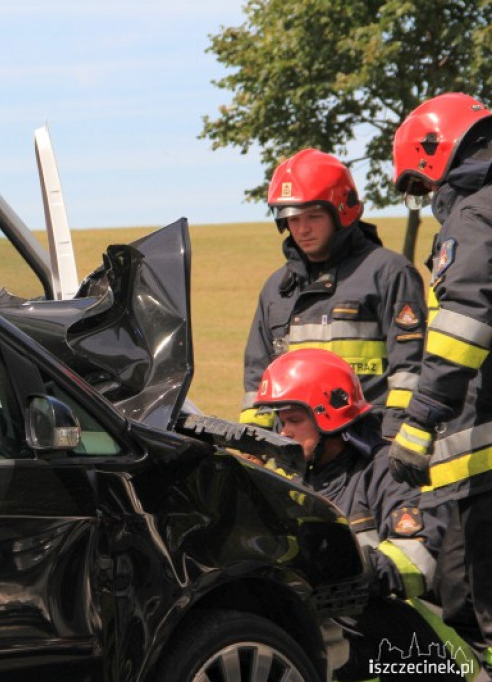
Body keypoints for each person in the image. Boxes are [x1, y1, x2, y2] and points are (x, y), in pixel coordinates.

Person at [254, 349, 473, 681]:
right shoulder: (290, 482)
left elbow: (418, 559)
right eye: (281, 422)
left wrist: (345, 573)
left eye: (294, 421)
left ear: (328, 415)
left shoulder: (387, 469)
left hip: (420, 646)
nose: (284, 433)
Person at [391, 91, 492, 678]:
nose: (426, 201)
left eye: (420, 186)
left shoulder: (473, 216)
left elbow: (462, 325)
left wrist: (421, 420)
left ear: (435, 156)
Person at [240, 149, 428, 439]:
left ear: (342, 212)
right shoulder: (275, 289)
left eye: (313, 216)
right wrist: (256, 441)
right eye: (293, 219)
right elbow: (258, 377)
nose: (302, 229)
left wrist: (395, 437)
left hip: (369, 450)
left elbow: (410, 367)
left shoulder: (389, 273)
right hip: (299, 453)